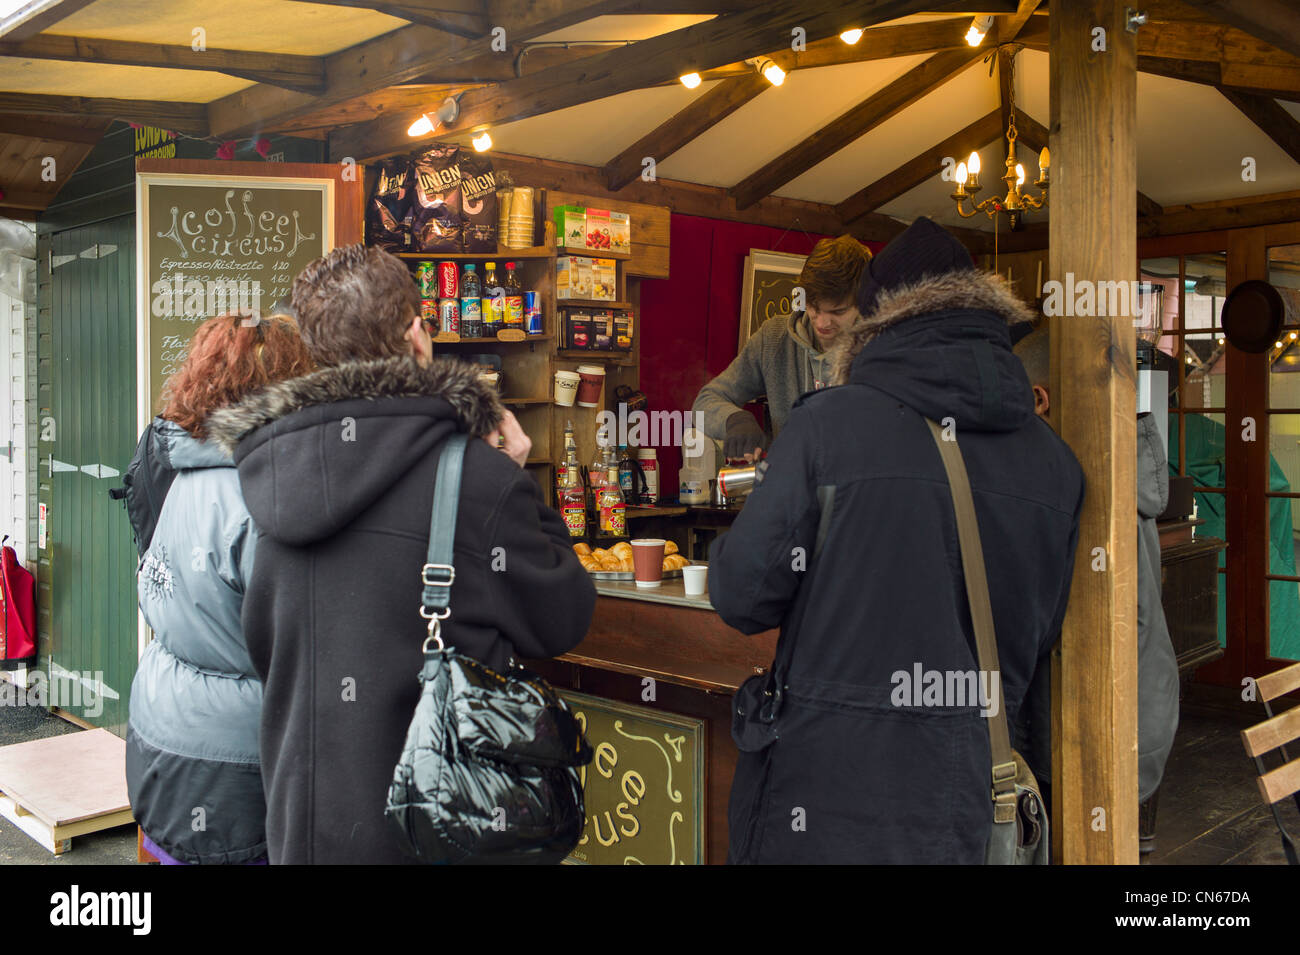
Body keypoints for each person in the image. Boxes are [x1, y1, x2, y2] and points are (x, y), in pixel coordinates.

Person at [708, 217, 1084, 864]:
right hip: (970, 800)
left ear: (874, 318)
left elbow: (741, 592)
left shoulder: (828, 427)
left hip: (824, 798)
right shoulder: (1057, 464)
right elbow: (1043, 629)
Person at [207, 245, 596, 865]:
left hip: (301, 827)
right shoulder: (477, 478)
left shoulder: (270, 473)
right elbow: (563, 617)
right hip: (430, 827)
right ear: (417, 336)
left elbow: (262, 643)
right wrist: (519, 482)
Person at [126, 311, 314, 865]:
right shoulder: (268, 497)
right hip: (236, 759)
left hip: (157, 728)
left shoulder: (177, 465)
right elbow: (300, 645)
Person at [1014, 328, 1179, 806]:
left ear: (1038, 399)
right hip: (1143, 709)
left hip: (1096, 726)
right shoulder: (1118, 463)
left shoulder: (1074, 487)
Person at [692, 235, 871, 462]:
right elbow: (704, 403)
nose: (822, 323)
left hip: (861, 493)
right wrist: (733, 420)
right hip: (792, 492)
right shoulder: (774, 339)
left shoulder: (884, 347)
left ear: (864, 302)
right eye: (814, 307)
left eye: (838, 312)